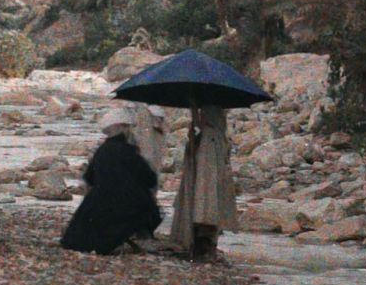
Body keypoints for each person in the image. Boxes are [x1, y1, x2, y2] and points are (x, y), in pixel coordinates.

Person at [60, 104, 163, 255]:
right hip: (126, 206)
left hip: (96, 206)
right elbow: (149, 178)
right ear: (124, 128)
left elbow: (89, 177)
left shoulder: (102, 151)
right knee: (147, 206)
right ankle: (141, 235)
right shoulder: (128, 151)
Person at [168, 101, 237, 260]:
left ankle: (203, 249)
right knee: (207, 220)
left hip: (205, 191)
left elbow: (205, 172)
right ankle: (205, 248)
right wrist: (192, 141)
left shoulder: (210, 137)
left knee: (205, 219)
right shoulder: (212, 135)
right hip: (207, 189)